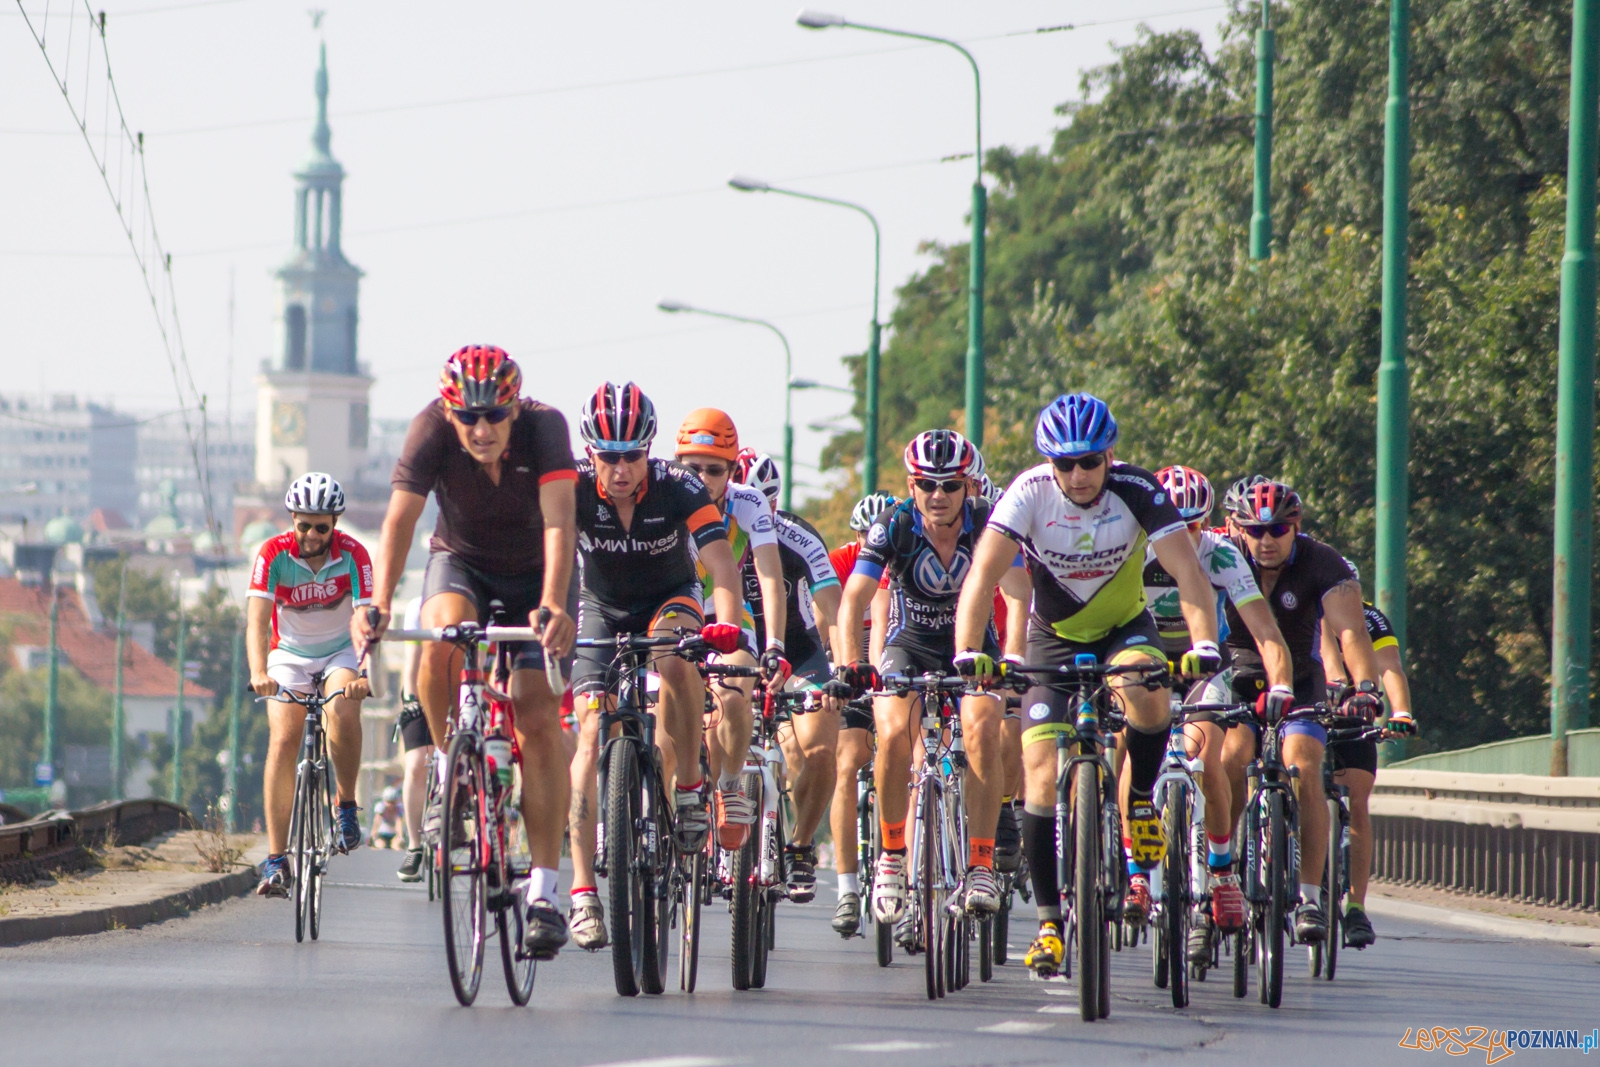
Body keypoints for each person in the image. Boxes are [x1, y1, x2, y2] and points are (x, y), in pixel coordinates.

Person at [951, 394, 1222, 978]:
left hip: (1125, 629)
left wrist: (1203, 644)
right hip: (1051, 637)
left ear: (1110, 455)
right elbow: (982, 576)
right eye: (1065, 463)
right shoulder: (1027, 493)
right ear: (1049, 463)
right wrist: (969, 652)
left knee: (1148, 695)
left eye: (1090, 462)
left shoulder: (1138, 490)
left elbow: (1189, 572)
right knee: (1041, 776)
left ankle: (1140, 798)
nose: (1078, 475)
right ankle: (1050, 922)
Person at [353, 345, 577, 959]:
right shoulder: (429, 428)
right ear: (450, 413)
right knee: (441, 638)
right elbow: (400, 521)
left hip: (539, 573)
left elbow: (560, 523)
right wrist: (376, 603)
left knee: (536, 716)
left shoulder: (546, 428)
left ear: (513, 409)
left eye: (494, 417)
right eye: (468, 418)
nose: (481, 430)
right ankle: (454, 758)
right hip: (462, 564)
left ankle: (544, 894)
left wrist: (554, 605)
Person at [563, 383, 748, 951]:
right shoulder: (570, 487)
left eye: (632, 455)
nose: (620, 469)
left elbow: (720, 564)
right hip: (601, 608)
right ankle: (582, 892)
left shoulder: (679, 486)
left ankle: (690, 786)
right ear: (590, 452)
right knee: (590, 736)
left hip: (672, 599)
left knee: (674, 659)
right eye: (608, 456)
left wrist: (727, 629)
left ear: (649, 451)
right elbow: (543, 553)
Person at [833, 429, 1008, 926]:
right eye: (926, 484)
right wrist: (850, 661)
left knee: (981, 732)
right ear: (911, 486)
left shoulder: (989, 525)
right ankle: (891, 854)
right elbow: (853, 600)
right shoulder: (894, 525)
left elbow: (1018, 597)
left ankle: (979, 861)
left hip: (971, 647)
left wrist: (1013, 660)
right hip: (907, 645)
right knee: (890, 732)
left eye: (950, 485)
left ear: (968, 487)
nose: (937, 495)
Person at [1219, 476, 1384, 943]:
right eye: (1253, 530)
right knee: (1232, 757)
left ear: (1296, 527)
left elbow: (1351, 632)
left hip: (1302, 677)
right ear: (1235, 529)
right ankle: (1222, 867)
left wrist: (1365, 687)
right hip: (1237, 674)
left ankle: (1309, 897)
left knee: (1304, 767)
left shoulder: (1321, 561)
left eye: (1277, 530)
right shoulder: (1220, 557)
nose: (1265, 541)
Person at [1140, 465, 1295, 951]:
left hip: (1203, 665)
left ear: (1205, 524)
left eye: (1190, 526)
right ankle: (1136, 872)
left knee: (1204, 751)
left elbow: (1266, 632)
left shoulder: (1222, 553)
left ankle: (1221, 872)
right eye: (1169, 523)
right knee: (1128, 748)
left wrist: (1283, 684)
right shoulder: (1132, 551)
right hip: (1144, 659)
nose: (1179, 536)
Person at [248, 472, 373, 897]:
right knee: (284, 737)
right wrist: (257, 672)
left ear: (335, 523)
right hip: (288, 656)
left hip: (341, 650)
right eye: (304, 525)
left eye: (322, 526)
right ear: (293, 520)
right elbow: (257, 619)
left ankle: (346, 805)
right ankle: (277, 860)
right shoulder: (273, 553)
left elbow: (366, 620)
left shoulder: (355, 555)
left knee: (341, 708)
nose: (312, 535)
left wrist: (364, 673)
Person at [675, 411, 790, 851]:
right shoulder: (665, 494)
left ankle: (728, 784)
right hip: (673, 613)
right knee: (661, 731)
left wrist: (775, 645)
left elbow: (769, 577)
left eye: (714, 469)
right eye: (692, 468)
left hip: (727, 616)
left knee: (736, 688)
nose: (702, 478)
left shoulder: (748, 503)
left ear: (733, 472)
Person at [735, 451, 842, 903]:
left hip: (796, 654)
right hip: (732, 650)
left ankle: (800, 847)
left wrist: (842, 666)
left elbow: (833, 606)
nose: (762, 512)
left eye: (770, 502)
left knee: (817, 747)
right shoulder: (701, 533)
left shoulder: (797, 537)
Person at [1319, 564, 1417, 949]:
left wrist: (1402, 712)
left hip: (1354, 716)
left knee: (1357, 801)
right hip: (1310, 711)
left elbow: (1389, 666)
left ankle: (1357, 906)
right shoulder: (1305, 610)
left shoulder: (1371, 618)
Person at [827, 492, 896, 935]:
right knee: (848, 764)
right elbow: (831, 618)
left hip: (897, 671)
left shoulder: (902, 554)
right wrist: (841, 671)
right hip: (854, 668)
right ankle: (847, 889)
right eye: (861, 535)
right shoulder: (844, 560)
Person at [393, 596, 434, 882]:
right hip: (421, 691)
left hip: (460, 691)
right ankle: (414, 845)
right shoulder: (417, 606)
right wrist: (410, 699)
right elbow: (412, 661)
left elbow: (481, 660)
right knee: (417, 764)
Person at [371, 785, 402, 850]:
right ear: (384, 800)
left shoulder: (399, 808)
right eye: (388, 802)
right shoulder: (381, 807)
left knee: (396, 846)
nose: (391, 805)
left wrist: (400, 836)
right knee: (380, 846)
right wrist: (373, 835)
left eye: (393, 802)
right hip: (382, 834)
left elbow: (399, 823)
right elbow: (377, 821)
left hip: (394, 834)